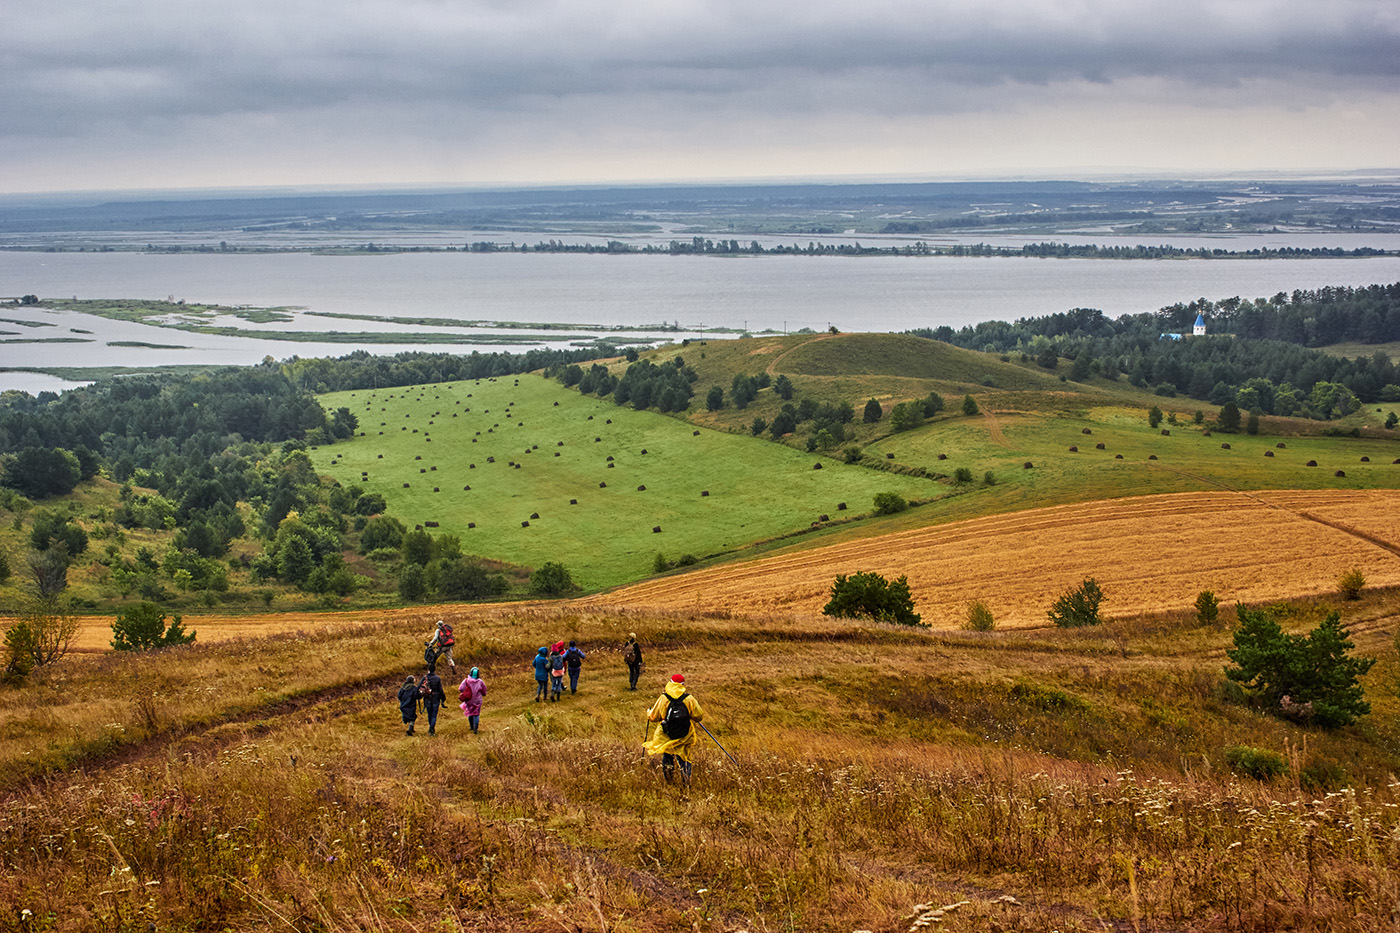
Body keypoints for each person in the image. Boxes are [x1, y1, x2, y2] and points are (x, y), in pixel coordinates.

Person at [644, 673, 705, 786]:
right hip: (685, 734)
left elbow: (653, 717)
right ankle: (686, 783)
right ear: (682, 685)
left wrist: (649, 712)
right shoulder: (688, 699)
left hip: (666, 734)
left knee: (667, 756)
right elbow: (699, 716)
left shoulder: (663, 698)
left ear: (670, 683)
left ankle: (669, 781)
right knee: (684, 757)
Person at [419, 666, 446, 735]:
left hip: (427, 698)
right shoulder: (437, 678)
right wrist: (443, 698)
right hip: (435, 698)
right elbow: (440, 689)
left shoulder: (425, 678)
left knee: (429, 714)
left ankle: (431, 727)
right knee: (434, 715)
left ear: (428, 670)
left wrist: (418, 696)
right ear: (434, 670)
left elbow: (419, 687)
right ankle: (431, 729)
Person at [459, 667, 487, 733]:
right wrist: (483, 694)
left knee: (470, 712)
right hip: (477, 700)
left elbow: (460, 688)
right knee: (476, 714)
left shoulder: (466, 681)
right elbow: (484, 691)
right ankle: (475, 729)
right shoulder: (480, 682)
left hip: (469, 700)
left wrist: (465, 692)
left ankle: (471, 726)